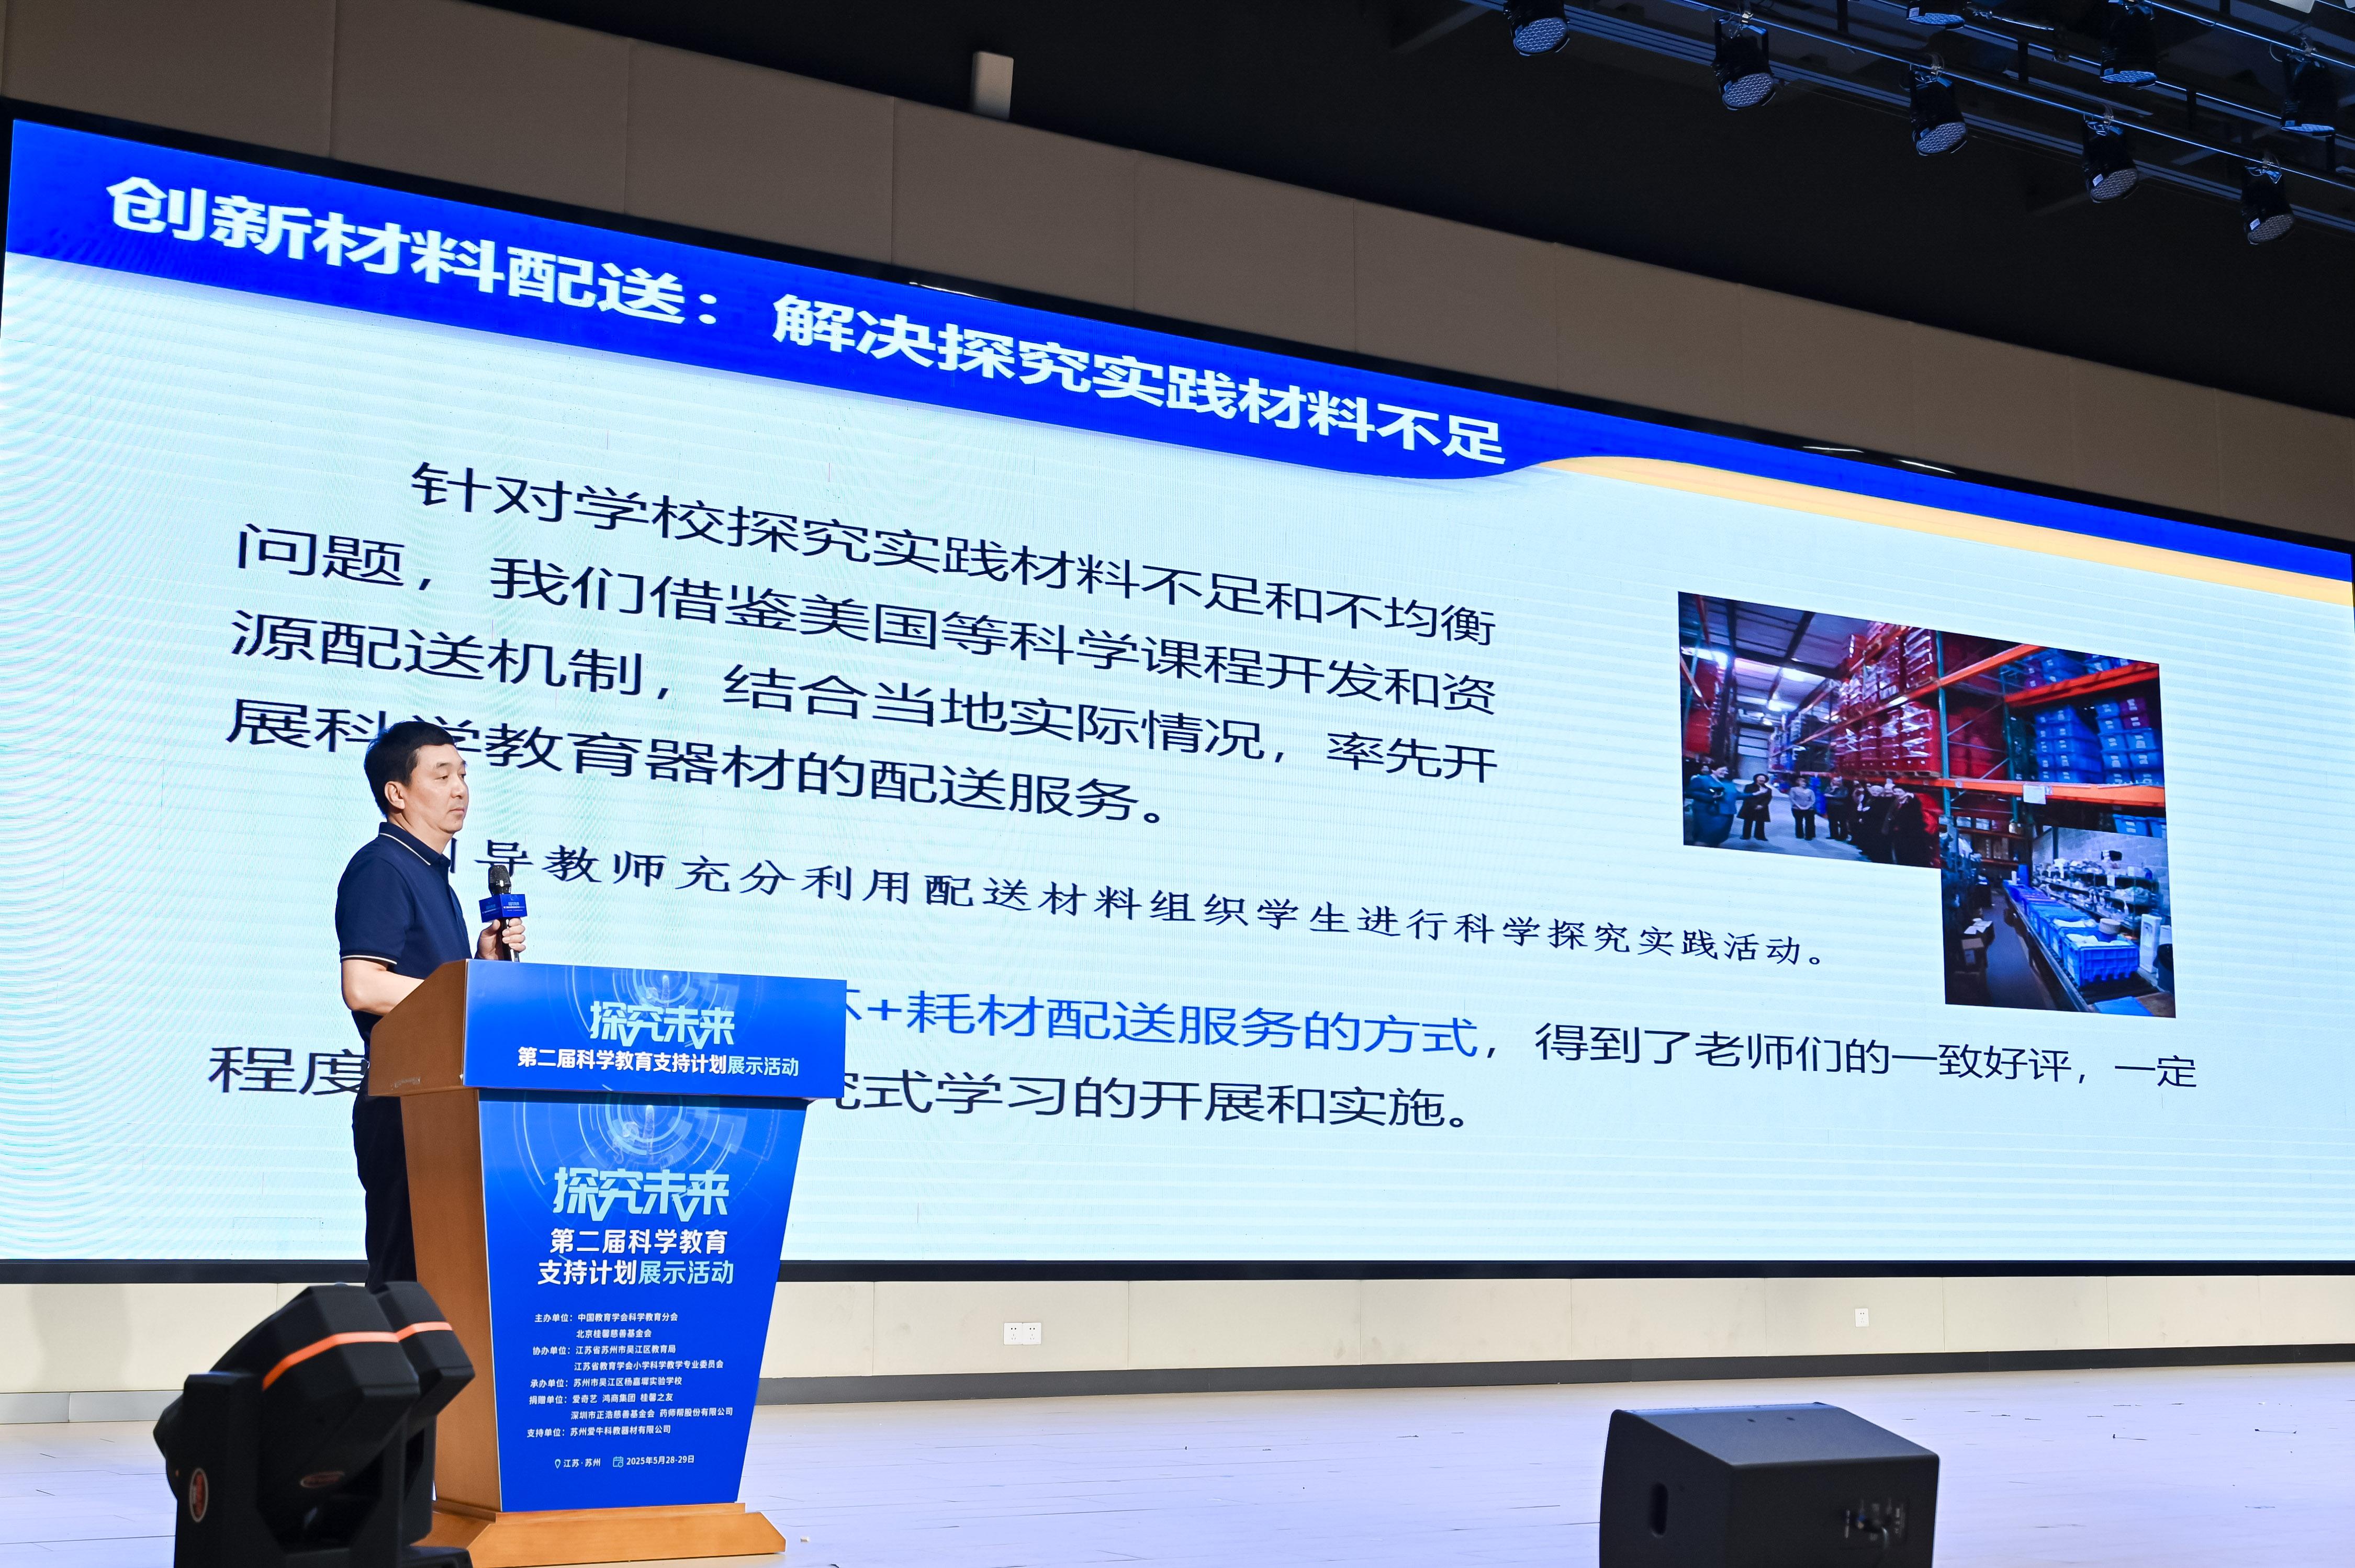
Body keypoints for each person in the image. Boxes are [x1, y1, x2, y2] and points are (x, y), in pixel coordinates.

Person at [337, 721, 527, 1289]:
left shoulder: (430, 874)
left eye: (463, 775)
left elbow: (439, 994)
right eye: (441, 776)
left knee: (443, 1280)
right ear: (397, 793)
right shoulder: (383, 866)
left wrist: (483, 965)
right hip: (404, 1104)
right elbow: (364, 986)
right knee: (405, 1279)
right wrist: (467, 988)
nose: (460, 788)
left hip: (441, 1103)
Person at [1686, 764, 1737, 848]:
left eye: (1726, 771)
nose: (1725, 773)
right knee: (1705, 837)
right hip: (1705, 812)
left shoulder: (1726, 782)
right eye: (1723, 770)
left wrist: (1753, 794)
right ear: (1713, 770)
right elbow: (1690, 792)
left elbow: (1735, 794)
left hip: (1722, 812)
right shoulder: (1701, 779)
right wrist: (1711, 797)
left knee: (1717, 836)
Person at [1737, 772, 1775, 841]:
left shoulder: (1769, 789)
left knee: (1761, 822)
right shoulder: (1749, 787)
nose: (1762, 779)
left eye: (1764, 778)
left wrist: (1762, 805)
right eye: (1760, 778)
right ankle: (1746, 836)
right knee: (1748, 822)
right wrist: (1755, 805)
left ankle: (1760, 836)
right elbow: (1748, 797)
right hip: (1750, 807)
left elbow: (1768, 799)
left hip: (1762, 808)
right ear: (1756, 779)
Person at [1788, 776, 1819, 840]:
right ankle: (1800, 835)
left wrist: (1807, 807)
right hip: (1797, 809)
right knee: (1799, 822)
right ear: (1798, 782)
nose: (1804, 783)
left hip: (1809, 809)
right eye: (1802, 782)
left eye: (1805, 782)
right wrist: (1799, 807)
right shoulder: (1793, 789)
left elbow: (1813, 800)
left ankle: (1809, 836)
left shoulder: (1810, 791)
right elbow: (1792, 799)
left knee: (1810, 822)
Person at [1823, 777, 1855, 841]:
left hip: (1841, 807)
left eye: (1838, 781)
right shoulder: (1829, 788)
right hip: (1831, 806)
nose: (1836, 782)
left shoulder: (1844, 789)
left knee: (1842, 821)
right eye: (1835, 781)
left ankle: (1843, 836)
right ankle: (1834, 835)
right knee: (1832, 821)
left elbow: (1843, 797)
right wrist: (1833, 790)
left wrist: (1832, 796)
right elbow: (1825, 794)